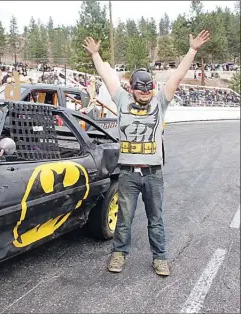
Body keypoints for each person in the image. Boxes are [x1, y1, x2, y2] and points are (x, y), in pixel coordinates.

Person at [83, 29, 210, 276]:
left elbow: (177, 76)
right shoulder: (120, 100)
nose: (145, 91)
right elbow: (107, 78)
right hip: (128, 174)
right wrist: (96, 55)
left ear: (153, 88)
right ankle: (119, 254)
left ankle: (160, 257)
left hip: (153, 173)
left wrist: (192, 50)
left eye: (148, 87)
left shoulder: (160, 102)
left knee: (156, 219)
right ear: (131, 88)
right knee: (124, 218)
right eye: (140, 87)